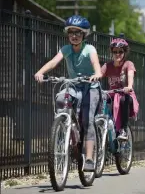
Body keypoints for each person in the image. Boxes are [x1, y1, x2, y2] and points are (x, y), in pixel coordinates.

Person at [34, 15, 102, 172]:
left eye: (78, 32)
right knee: (60, 98)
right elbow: (53, 62)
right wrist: (40, 72)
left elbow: (95, 64)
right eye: (71, 32)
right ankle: (66, 128)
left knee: (88, 120)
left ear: (84, 34)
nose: (74, 35)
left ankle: (90, 158)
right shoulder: (65, 49)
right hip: (74, 85)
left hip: (90, 87)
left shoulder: (89, 49)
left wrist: (97, 73)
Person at [101, 38, 139, 140]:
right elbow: (98, 75)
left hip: (126, 94)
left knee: (123, 100)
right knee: (98, 100)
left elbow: (130, 75)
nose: (117, 54)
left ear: (124, 52)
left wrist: (129, 86)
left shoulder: (128, 64)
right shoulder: (107, 66)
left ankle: (124, 129)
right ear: (112, 52)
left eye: (120, 52)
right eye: (115, 52)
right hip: (112, 94)